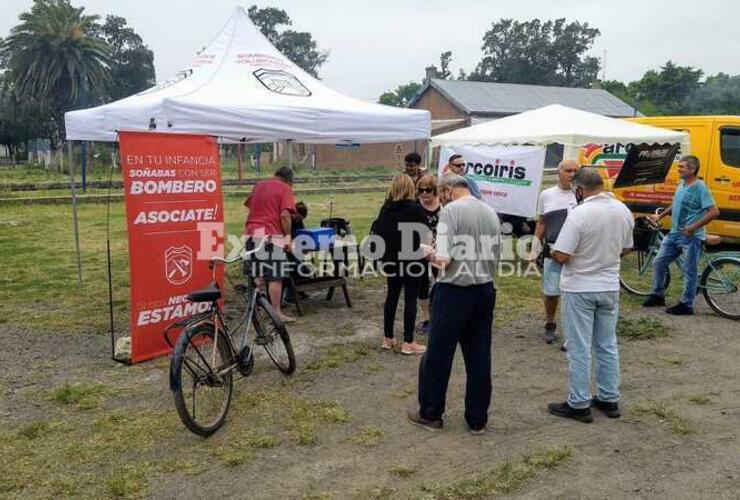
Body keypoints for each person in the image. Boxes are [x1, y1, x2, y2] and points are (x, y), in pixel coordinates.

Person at [408, 174, 500, 434]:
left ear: (447, 191)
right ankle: (477, 419)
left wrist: (428, 253)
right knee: (479, 356)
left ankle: (430, 413)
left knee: (438, 355)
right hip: (484, 289)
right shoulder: (490, 211)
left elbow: (444, 261)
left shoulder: (450, 212)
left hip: (454, 291)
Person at [547, 168, 634, 423]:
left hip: (580, 287)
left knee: (579, 347)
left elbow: (563, 255)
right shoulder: (622, 210)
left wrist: (552, 253)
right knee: (607, 344)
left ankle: (579, 402)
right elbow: (627, 247)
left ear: (579, 189)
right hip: (608, 285)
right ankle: (608, 396)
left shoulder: (579, 214)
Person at [642, 155, 720, 315]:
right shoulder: (682, 184)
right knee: (658, 263)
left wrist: (693, 227)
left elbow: (714, 212)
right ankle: (658, 295)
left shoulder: (700, 188)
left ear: (692, 169)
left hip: (691, 237)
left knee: (689, 271)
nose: (678, 170)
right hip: (674, 234)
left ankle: (686, 305)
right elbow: (675, 204)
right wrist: (660, 216)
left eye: (681, 167)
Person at [374, 174, 430, 355]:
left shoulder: (385, 209)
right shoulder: (416, 209)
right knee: (410, 299)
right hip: (412, 259)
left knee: (392, 296)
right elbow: (424, 235)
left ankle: (388, 338)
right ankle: (408, 342)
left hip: (391, 259)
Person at [531, 160, 579, 344]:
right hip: (553, 249)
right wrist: (534, 248)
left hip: (576, 252)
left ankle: (572, 331)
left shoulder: (582, 194)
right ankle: (550, 323)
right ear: (559, 173)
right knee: (551, 291)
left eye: (575, 171)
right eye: (568, 170)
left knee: (573, 293)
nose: (572, 174)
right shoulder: (547, 195)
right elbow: (541, 222)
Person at [244, 166, 297, 323]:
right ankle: (276, 312)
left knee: (258, 274)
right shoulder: (285, 189)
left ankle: (259, 311)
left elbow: (250, 206)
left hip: (252, 233)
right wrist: (288, 238)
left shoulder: (258, 185)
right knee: (275, 276)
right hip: (271, 235)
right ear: (289, 180)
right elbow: (285, 215)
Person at [416, 174, 441, 336]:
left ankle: (440, 316)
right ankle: (427, 319)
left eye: (428, 190)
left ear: (435, 190)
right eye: (421, 190)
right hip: (420, 250)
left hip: (440, 248)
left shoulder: (444, 205)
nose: (424, 193)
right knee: (422, 284)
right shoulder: (415, 206)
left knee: (439, 283)